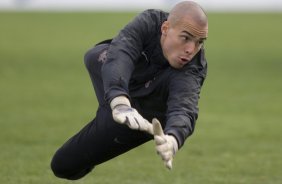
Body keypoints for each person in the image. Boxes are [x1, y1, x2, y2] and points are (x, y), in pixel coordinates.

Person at [51, 0, 208, 180]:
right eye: (186, 37)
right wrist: (119, 101)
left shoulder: (193, 67)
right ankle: (115, 106)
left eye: (200, 42)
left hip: (146, 115)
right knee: (96, 55)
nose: (191, 49)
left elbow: (184, 108)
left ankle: (115, 121)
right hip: (123, 101)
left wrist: (173, 138)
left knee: (62, 165)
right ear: (165, 28)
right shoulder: (150, 22)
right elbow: (122, 50)